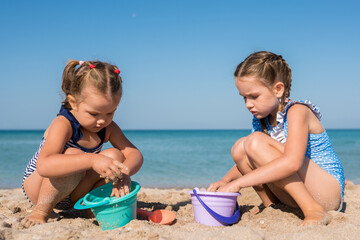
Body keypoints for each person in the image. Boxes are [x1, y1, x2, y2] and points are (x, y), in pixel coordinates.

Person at [207, 51, 345, 225]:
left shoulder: (297, 111)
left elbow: (292, 162)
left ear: (278, 89)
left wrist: (239, 183)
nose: (248, 104)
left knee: (254, 141)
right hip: (296, 193)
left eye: (254, 96)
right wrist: (225, 181)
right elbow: (252, 155)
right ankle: (271, 205)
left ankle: (314, 210)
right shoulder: (261, 120)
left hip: (325, 192)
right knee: (240, 147)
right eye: (244, 98)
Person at [21, 60, 143, 228]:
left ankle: (88, 207)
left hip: (74, 193)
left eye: (110, 112)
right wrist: (91, 160)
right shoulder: (63, 124)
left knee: (115, 157)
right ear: (73, 102)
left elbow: (134, 154)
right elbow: (44, 166)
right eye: (93, 113)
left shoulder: (107, 127)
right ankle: (41, 211)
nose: (102, 120)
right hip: (40, 189)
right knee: (73, 154)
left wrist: (124, 173)